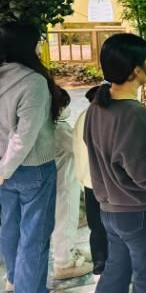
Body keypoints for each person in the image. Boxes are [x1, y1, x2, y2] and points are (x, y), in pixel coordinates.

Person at [84, 33, 146, 293]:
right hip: (143, 212)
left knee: (116, 273)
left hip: (111, 210)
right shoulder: (135, 117)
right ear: (136, 71)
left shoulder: (97, 107)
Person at [0, 22, 69, 293]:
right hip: (32, 168)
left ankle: (16, 280)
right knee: (35, 234)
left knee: (10, 226)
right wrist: (4, 170)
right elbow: (24, 137)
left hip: (4, 170)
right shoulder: (33, 82)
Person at [52, 88, 94, 281]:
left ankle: (67, 255)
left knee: (62, 221)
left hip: (59, 183)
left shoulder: (50, 126)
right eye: (63, 106)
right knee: (66, 222)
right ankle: (64, 263)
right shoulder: (59, 130)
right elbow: (80, 148)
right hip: (65, 185)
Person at [73, 85, 107, 275]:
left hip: (89, 182)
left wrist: (81, 179)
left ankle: (99, 263)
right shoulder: (108, 117)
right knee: (114, 226)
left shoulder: (82, 117)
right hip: (109, 183)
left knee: (96, 227)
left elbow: (76, 151)